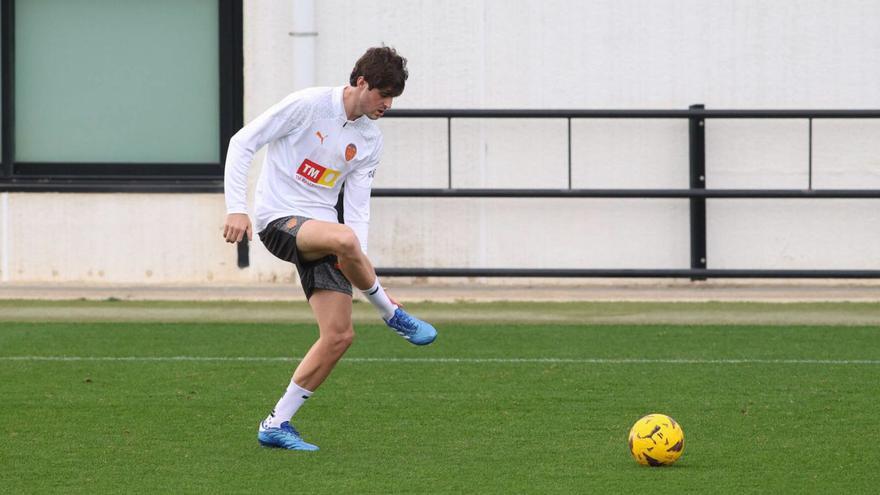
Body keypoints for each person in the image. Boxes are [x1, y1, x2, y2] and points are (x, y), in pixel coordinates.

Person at [222, 46, 436, 451]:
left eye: (393, 98)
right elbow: (242, 142)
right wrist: (237, 208)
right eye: (383, 94)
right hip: (279, 222)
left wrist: (360, 261)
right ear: (361, 82)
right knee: (344, 239)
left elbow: (357, 208)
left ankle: (276, 423)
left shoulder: (370, 139)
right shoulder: (307, 105)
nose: (387, 105)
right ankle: (391, 313)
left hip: (326, 233)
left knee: (338, 336)